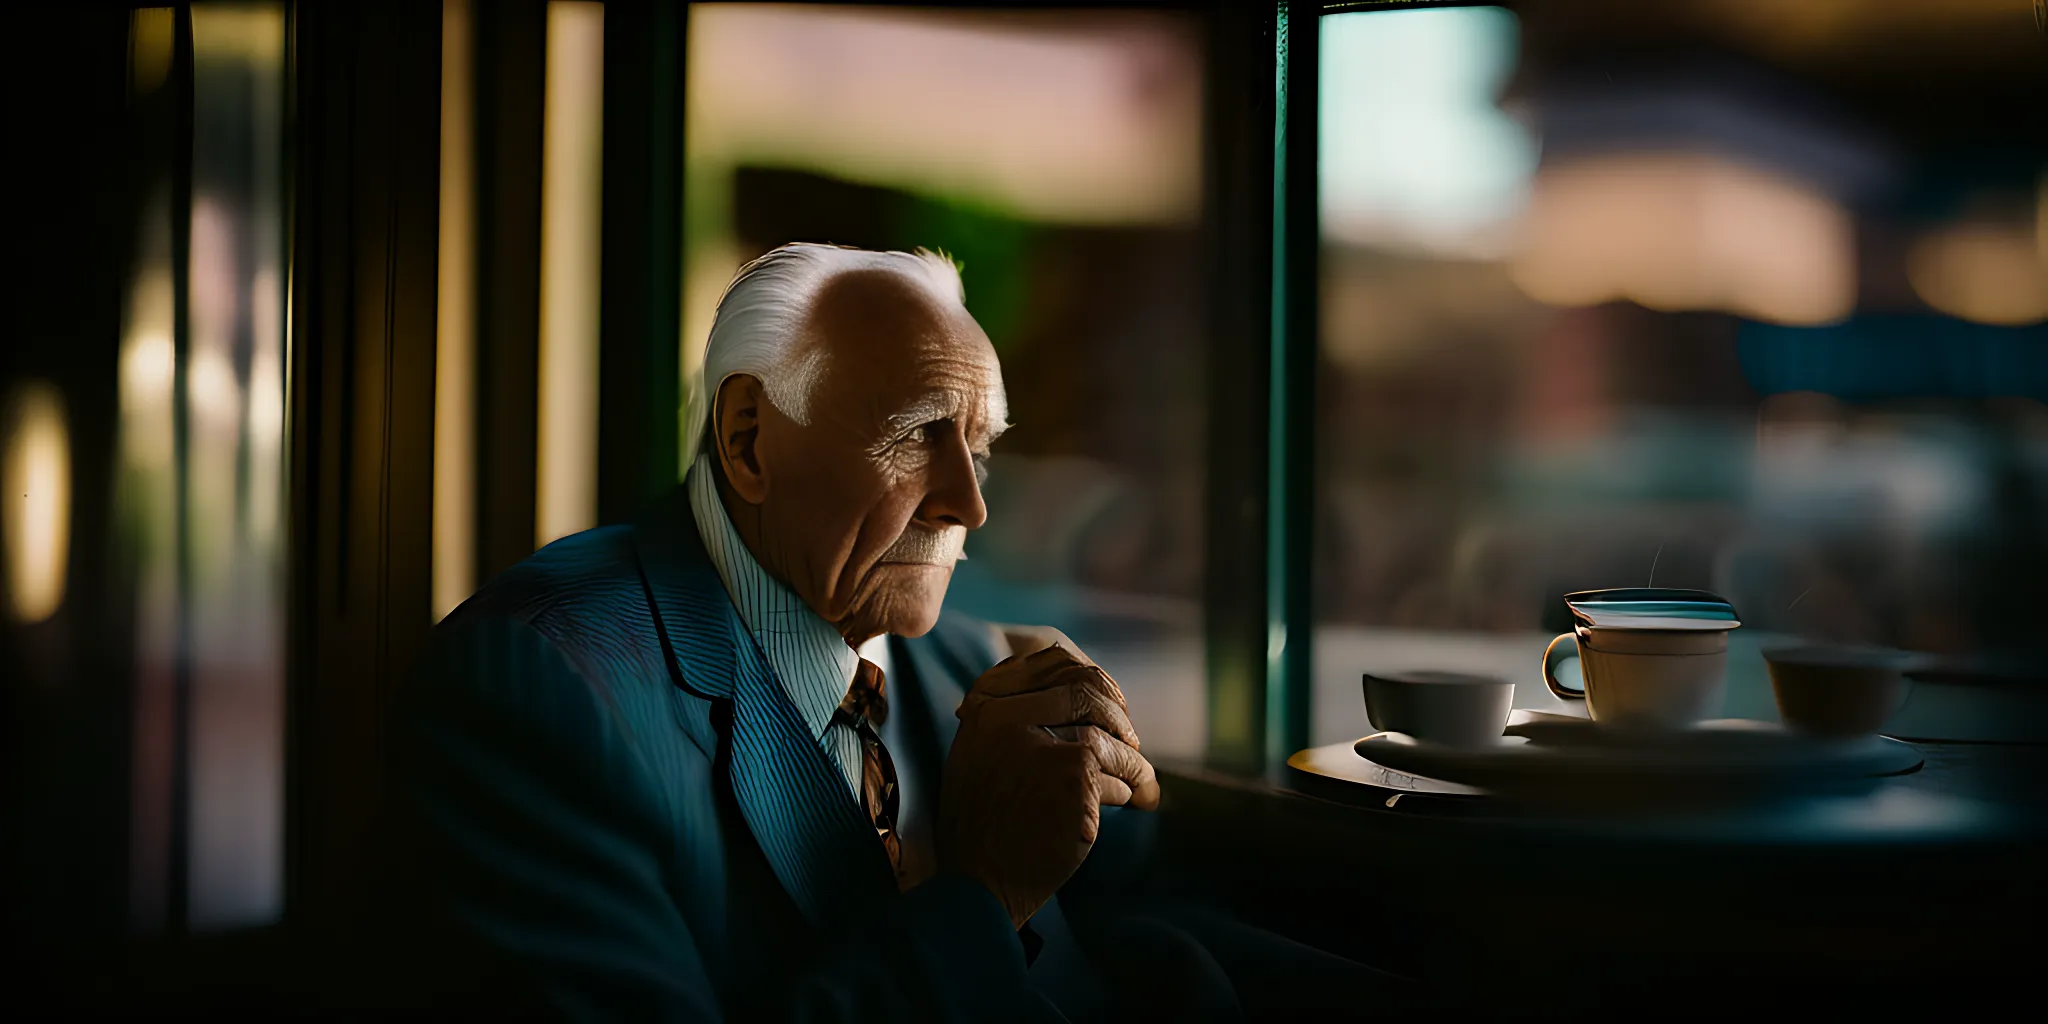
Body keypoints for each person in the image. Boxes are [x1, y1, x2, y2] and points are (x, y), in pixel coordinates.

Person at [374, 243, 1402, 1021]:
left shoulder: (970, 659)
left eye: (982, 448)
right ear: (746, 439)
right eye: (916, 433)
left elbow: (1146, 928)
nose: (968, 503)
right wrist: (982, 892)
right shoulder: (536, 687)